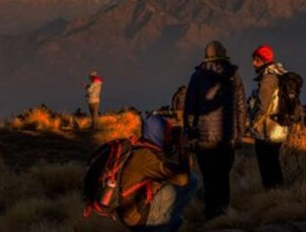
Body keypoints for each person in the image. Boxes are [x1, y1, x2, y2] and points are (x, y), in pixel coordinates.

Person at [184, 41, 247, 219]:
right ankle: (224, 214)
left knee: (209, 179)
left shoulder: (197, 76)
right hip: (227, 138)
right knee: (223, 178)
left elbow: (190, 108)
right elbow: (241, 108)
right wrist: (240, 134)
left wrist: (189, 132)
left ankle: (211, 216)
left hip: (204, 139)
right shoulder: (235, 76)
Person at [118, 114, 199, 232]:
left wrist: (176, 145)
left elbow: (170, 168)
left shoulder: (140, 148)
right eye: (167, 133)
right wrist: (183, 149)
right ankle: (162, 226)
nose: (169, 137)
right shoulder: (146, 157)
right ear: (158, 134)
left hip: (131, 212)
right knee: (192, 181)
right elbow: (183, 179)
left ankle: (169, 223)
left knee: (178, 220)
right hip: (138, 216)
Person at [250, 45, 289, 189]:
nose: (253, 63)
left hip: (268, 129)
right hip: (279, 127)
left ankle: (271, 193)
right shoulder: (280, 75)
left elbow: (263, 106)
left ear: (263, 60)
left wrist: (254, 123)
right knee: (274, 162)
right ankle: (278, 192)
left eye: (256, 60)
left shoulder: (268, 79)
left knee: (267, 164)